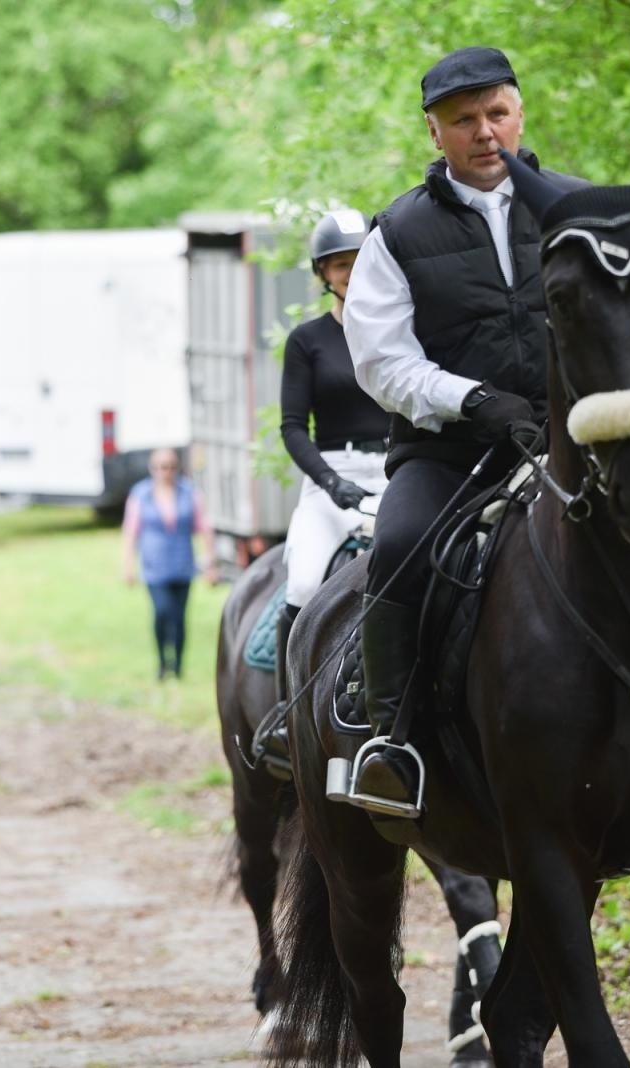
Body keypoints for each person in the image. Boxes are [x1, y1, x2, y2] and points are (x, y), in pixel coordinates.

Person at [341, 46, 630, 814]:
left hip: (579, 447)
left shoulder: (582, 210)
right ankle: (393, 744)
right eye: (463, 120)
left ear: (519, 113)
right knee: (399, 545)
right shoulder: (395, 234)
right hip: (450, 452)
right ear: (434, 131)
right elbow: (381, 362)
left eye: (497, 113)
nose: (484, 132)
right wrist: (473, 400)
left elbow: (628, 321)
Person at [267, 209, 393, 737]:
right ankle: (288, 713)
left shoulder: (400, 329)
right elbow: (293, 427)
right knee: (301, 582)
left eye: (360, 260)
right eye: (340, 264)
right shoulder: (308, 340)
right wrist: (330, 482)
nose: (351, 271)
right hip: (332, 478)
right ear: (323, 273)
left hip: (396, 470)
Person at [121, 448, 217, 680]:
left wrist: (210, 563)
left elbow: (204, 528)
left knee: (179, 617)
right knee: (162, 612)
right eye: (162, 467)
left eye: (172, 467)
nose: (166, 472)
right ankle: (163, 662)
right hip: (154, 567)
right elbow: (130, 532)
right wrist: (128, 566)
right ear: (152, 468)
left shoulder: (189, 492)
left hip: (182, 565)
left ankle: (178, 665)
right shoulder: (140, 494)